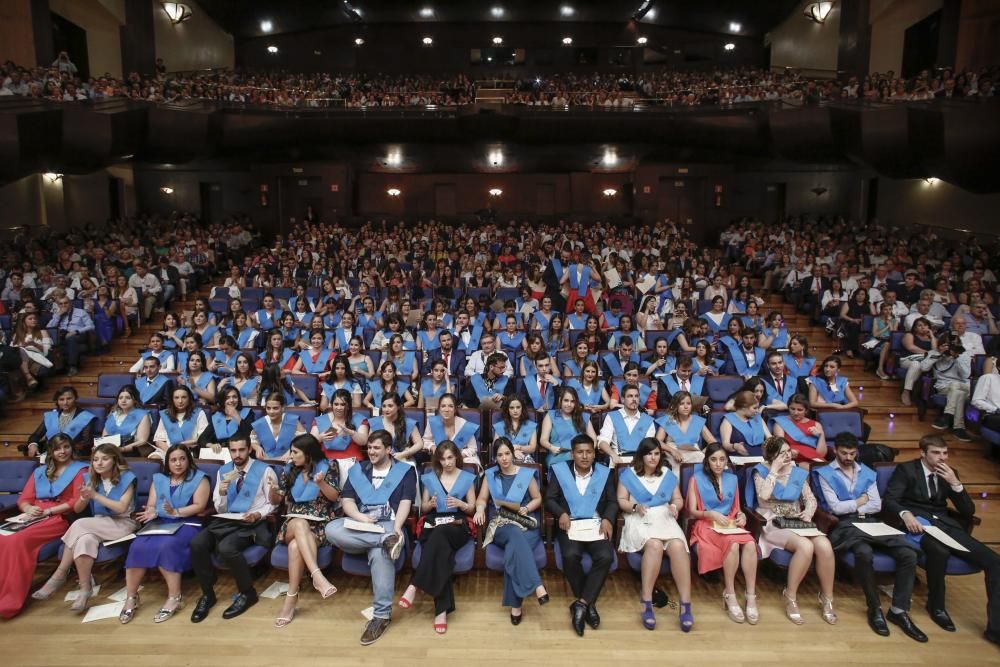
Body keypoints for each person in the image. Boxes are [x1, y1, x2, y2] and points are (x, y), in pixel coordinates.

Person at [883, 434, 1000, 645]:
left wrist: (955, 484)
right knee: (939, 552)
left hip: (948, 526)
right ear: (923, 453)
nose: (942, 458)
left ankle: (995, 629)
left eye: (945, 453)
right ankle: (937, 606)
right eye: (936, 453)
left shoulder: (949, 473)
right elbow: (891, 499)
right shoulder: (907, 470)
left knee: (995, 562)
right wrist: (905, 514)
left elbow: (967, 511)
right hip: (918, 525)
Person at [815, 433, 926, 641]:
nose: (848, 457)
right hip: (845, 525)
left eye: (852, 453)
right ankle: (874, 607)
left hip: (872, 522)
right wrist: (860, 501)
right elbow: (835, 508)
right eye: (844, 453)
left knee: (908, 553)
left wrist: (856, 503)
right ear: (835, 450)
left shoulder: (867, 472)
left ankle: (899, 610)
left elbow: (876, 505)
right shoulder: (824, 473)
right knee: (863, 552)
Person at [325, 429, 417, 646]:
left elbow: (405, 502)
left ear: (389, 450)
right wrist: (360, 517)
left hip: (389, 525)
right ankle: (384, 541)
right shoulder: (359, 470)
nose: (372, 452)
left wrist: (396, 529)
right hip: (362, 524)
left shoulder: (405, 471)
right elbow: (347, 500)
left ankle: (381, 617)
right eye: (369, 448)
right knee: (331, 529)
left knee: (380, 554)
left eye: (376, 448)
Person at [31, 444, 139, 613]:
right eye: (95, 460)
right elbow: (78, 509)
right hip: (98, 523)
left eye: (105, 459)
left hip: (124, 523)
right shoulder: (90, 479)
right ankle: (84, 590)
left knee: (79, 524)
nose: (99, 463)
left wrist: (95, 496)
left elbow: (121, 508)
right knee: (84, 540)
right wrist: (83, 498)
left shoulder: (127, 477)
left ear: (115, 460)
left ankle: (60, 573)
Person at [749, 436, 837, 626]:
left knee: (825, 546)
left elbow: (810, 499)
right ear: (772, 456)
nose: (788, 455)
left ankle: (827, 598)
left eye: (789, 451)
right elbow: (764, 498)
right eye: (782, 453)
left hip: (798, 521)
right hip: (773, 521)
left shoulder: (797, 472)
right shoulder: (761, 472)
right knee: (805, 547)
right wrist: (774, 470)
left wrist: (808, 512)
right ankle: (790, 596)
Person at [190, 436, 279, 623]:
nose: (237, 455)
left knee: (226, 548)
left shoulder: (264, 470)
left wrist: (258, 514)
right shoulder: (224, 471)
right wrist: (221, 494)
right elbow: (221, 508)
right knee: (197, 543)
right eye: (233, 450)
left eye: (241, 450)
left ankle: (247, 593)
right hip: (227, 520)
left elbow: (273, 504)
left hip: (251, 522)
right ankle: (208, 594)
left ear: (249, 449)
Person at [119, 444, 210, 624]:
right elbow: (152, 505)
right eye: (173, 460)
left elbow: (199, 506)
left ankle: (174, 597)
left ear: (188, 460)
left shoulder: (200, 479)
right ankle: (131, 596)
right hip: (161, 522)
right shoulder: (159, 479)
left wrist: (175, 512)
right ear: (167, 462)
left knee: (167, 545)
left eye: (182, 459)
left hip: (188, 522)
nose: (178, 464)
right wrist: (152, 512)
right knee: (137, 545)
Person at [0, 434, 87, 619]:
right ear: (51, 451)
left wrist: (50, 511)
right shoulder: (40, 471)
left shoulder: (80, 470)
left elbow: (75, 502)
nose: (62, 452)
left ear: (72, 447)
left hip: (58, 518)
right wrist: (29, 508)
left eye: (66, 447)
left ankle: (9, 600)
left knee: (17, 541)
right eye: (57, 449)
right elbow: (24, 499)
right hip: (31, 515)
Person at [397, 440, 476, 633]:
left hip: (457, 524)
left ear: (456, 457)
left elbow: (472, 508)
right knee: (443, 553)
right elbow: (422, 508)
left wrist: (461, 504)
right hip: (433, 521)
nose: (447, 462)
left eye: (450, 458)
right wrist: (430, 504)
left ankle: (415, 584)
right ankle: (441, 611)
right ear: (438, 460)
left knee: (440, 537)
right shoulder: (430, 477)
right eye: (443, 459)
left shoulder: (467, 477)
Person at [544, 434, 618, 636]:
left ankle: (581, 604)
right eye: (580, 452)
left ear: (594, 454)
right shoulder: (561, 472)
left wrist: (608, 519)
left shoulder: (605, 473)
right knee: (570, 556)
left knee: (606, 556)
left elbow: (612, 502)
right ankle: (589, 604)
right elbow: (549, 499)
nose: (585, 456)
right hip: (572, 525)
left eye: (589, 452)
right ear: (573, 454)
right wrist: (561, 513)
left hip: (596, 525)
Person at [617, 437, 692, 631]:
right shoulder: (628, 474)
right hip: (639, 517)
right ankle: (647, 600)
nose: (653, 457)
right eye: (649, 453)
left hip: (664, 516)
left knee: (677, 545)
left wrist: (676, 506)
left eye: (657, 453)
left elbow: (678, 498)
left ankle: (685, 604)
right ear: (641, 455)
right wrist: (635, 506)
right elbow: (621, 500)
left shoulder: (667, 474)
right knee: (655, 545)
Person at [267, 433, 341, 627]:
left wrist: (321, 483)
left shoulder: (329, 466)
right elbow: (276, 501)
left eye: (295, 452)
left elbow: (334, 498)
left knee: (294, 548)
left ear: (308, 453)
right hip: (292, 522)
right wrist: (273, 490)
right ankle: (317, 576)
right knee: (300, 524)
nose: (291, 456)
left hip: (319, 523)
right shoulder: (288, 469)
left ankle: (290, 599)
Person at [473, 438, 549, 625]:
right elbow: (482, 499)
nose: (504, 458)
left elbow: (538, 498)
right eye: (500, 455)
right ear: (495, 457)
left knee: (512, 552)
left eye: (507, 453)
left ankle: (516, 606)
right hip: (501, 524)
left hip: (525, 522)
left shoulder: (525, 474)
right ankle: (537, 585)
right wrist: (481, 509)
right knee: (513, 535)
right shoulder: (490, 475)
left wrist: (528, 508)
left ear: (513, 454)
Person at [686, 443, 758, 625]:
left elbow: (736, 508)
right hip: (706, 524)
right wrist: (710, 513)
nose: (718, 464)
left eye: (722, 459)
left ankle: (751, 595)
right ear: (707, 461)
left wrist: (741, 516)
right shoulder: (696, 478)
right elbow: (691, 511)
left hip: (729, 524)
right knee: (732, 544)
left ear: (726, 461)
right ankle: (730, 594)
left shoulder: (732, 479)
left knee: (750, 543)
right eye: (713, 459)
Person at [24, 386, 97, 458]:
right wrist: (33, 445)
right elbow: (36, 435)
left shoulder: (86, 417)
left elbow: (86, 442)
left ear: (75, 398)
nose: (65, 402)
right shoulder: (51, 416)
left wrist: (63, 451)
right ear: (57, 401)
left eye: (69, 398)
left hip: (72, 455)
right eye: (61, 399)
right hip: (49, 455)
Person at [656, 390, 716, 472]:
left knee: (703, 461)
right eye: (681, 404)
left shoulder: (697, 420)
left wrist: (703, 452)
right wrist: (672, 451)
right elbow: (657, 441)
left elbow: (713, 442)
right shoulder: (668, 420)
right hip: (673, 453)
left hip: (694, 454)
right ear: (676, 406)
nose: (686, 407)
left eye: (688, 403)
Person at [597, 384, 657, 465]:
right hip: (618, 460)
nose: (634, 399)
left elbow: (649, 447)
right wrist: (613, 455)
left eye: (636, 396)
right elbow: (602, 442)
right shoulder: (612, 416)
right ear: (622, 399)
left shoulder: (648, 420)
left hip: (641, 462)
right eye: (630, 396)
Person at [928, 336, 974, 442]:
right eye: (947, 345)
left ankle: (947, 415)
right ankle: (959, 428)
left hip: (964, 385)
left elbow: (966, 375)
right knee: (958, 392)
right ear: (940, 345)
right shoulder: (933, 354)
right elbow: (924, 368)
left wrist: (956, 358)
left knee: (956, 385)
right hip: (944, 387)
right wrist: (939, 354)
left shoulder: (963, 356)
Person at [540, 385, 598, 468]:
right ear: (560, 400)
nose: (569, 404)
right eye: (566, 400)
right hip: (558, 456)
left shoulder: (583, 416)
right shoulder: (550, 415)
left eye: (572, 401)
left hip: (581, 456)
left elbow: (594, 439)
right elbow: (543, 440)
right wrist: (552, 448)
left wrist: (588, 452)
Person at [310, 388, 370, 461]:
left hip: (352, 461)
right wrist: (320, 438)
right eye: (336, 404)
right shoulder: (320, 420)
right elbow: (310, 443)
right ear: (331, 404)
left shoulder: (360, 419)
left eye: (343, 404)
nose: (339, 408)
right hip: (326, 461)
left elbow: (363, 442)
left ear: (349, 405)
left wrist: (352, 433)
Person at [152, 386, 209, 456]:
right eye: (176, 398)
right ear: (172, 400)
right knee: (155, 458)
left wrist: (182, 446)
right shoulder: (166, 414)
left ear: (189, 399)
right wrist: (171, 452)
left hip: (189, 450)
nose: (180, 401)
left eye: (184, 397)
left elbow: (204, 438)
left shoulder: (199, 413)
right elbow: (158, 440)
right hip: (168, 450)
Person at [422, 393, 479, 462]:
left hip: (461, 459)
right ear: (439, 409)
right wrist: (432, 447)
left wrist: (458, 455)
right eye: (443, 406)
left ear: (455, 409)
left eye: (450, 406)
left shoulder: (464, 425)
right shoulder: (432, 422)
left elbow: (473, 448)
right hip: (440, 459)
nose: (446, 410)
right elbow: (425, 440)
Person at [48, 294, 95, 376]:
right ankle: (57, 367)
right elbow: (49, 328)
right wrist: (58, 315)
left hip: (78, 335)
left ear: (71, 303)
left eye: (65, 303)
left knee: (71, 339)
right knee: (50, 341)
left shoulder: (81, 312)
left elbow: (91, 326)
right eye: (61, 304)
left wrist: (75, 332)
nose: (63, 305)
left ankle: (72, 366)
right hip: (62, 336)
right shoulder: (57, 314)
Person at [250, 392, 306, 460]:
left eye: (275, 408)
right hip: (268, 461)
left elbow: (304, 440)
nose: (271, 411)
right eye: (268, 408)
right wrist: (257, 448)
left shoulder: (293, 420)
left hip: (290, 460)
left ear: (282, 407)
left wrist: (291, 451)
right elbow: (252, 440)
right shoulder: (259, 423)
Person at [772, 394, 828, 461]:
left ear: (806, 410)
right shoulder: (780, 423)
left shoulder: (816, 425)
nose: (795, 413)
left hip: (814, 459)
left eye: (800, 410)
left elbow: (821, 454)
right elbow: (780, 447)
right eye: (792, 409)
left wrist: (821, 435)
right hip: (792, 459)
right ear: (788, 407)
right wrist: (789, 451)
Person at [102, 385, 153, 456]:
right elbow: (104, 437)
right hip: (110, 451)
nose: (123, 400)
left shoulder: (142, 415)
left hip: (130, 452)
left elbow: (142, 441)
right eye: (120, 398)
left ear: (135, 400)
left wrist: (122, 449)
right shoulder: (113, 415)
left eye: (128, 398)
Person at [720, 390, 771, 456]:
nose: (757, 411)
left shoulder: (757, 417)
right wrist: (735, 446)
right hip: (739, 455)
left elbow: (769, 438)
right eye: (754, 408)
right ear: (744, 407)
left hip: (761, 454)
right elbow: (725, 444)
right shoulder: (728, 419)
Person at [491, 395, 538, 462]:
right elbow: (496, 447)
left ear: (522, 408)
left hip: (524, 457)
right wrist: (512, 452)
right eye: (512, 408)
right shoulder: (499, 426)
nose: (515, 410)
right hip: (503, 457)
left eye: (518, 407)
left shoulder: (531, 425)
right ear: (508, 409)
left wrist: (518, 447)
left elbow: (532, 448)